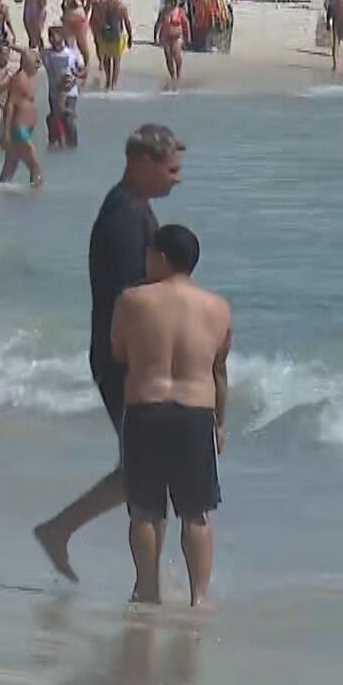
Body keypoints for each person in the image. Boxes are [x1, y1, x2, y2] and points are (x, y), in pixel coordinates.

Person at [33, 124, 186, 583]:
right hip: (124, 360)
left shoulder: (135, 209)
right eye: (171, 168)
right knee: (145, 472)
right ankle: (147, 588)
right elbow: (130, 299)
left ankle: (62, 532)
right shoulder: (124, 217)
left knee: (142, 468)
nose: (177, 178)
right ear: (142, 161)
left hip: (128, 357)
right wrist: (147, 360)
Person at [112, 224, 229, 608]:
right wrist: (221, 424)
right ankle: (199, 597)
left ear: (161, 257)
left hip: (146, 410)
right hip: (195, 414)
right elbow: (219, 372)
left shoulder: (133, 300)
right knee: (196, 512)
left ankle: (147, 588)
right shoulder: (217, 308)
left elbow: (119, 352)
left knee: (145, 509)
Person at [0, 50, 44, 187]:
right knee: (36, 167)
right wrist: (5, 132)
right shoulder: (19, 79)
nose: (38, 65)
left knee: (10, 167)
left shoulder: (27, 77)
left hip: (23, 129)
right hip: (19, 129)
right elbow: (10, 105)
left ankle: (1, 195)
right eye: (36, 62)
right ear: (27, 63)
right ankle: (36, 196)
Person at [42, 27, 84, 149]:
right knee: (55, 119)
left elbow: (83, 72)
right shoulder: (46, 54)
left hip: (71, 91)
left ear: (62, 37)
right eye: (51, 37)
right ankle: (55, 142)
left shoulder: (72, 53)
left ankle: (72, 145)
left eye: (56, 36)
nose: (53, 39)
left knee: (68, 118)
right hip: (54, 93)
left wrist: (77, 74)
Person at [92, 0, 129, 92]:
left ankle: (108, 81)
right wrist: (130, 36)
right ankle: (114, 85)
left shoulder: (103, 5)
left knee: (107, 59)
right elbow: (127, 22)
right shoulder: (121, 6)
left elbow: (97, 19)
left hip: (105, 34)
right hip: (117, 35)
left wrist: (98, 33)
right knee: (116, 61)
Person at [156, 0, 188, 91]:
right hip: (166, 37)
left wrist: (188, 37)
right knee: (168, 58)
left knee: (177, 57)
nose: (172, 3)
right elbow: (158, 24)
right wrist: (155, 36)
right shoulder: (163, 12)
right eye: (170, 1)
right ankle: (172, 76)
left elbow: (185, 24)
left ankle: (178, 76)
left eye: (173, 1)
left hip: (177, 38)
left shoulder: (180, 12)